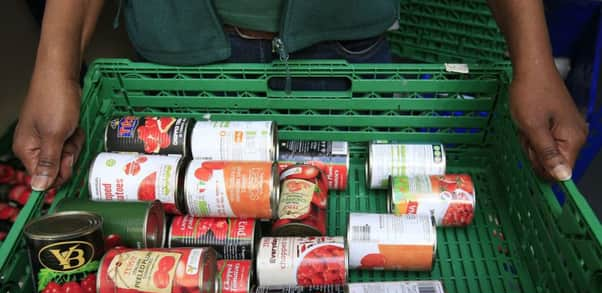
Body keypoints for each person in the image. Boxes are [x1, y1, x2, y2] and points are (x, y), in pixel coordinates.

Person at [13, 0, 588, 191]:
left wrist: (533, 61)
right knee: (193, 244)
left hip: (342, 54)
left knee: (340, 213)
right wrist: (55, 67)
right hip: (180, 58)